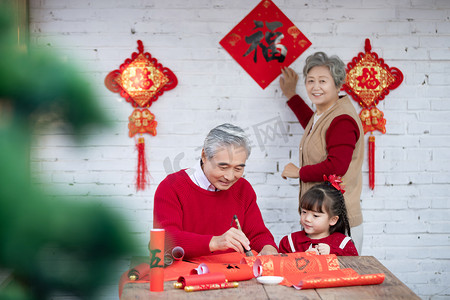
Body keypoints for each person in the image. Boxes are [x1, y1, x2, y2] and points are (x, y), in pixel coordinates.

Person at [279, 52, 364, 253]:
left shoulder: (342, 120)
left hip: (338, 224)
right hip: (321, 220)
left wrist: (298, 172)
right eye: (311, 81)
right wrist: (291, 95)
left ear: (338, 84)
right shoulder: (325, 114)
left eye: (323, 81)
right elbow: (314, 127)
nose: (315, 87)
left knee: (340, 279)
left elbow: (337, 166)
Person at [152, 123, 278, 259]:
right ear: (204, 156)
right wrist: (215, 242)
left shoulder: (243, 189)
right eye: (223, 167)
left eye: (238, 169)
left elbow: (258, 234)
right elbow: (166, 240)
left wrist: (268, 248)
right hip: (186, 274)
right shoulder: (172, 187)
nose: (230, 177)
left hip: (231, 274)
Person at [279, 175, 358, 256]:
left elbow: (355, 265)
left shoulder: (344, 244)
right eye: (304, 212)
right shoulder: (289, 242)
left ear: (333, 220)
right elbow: (280, 266)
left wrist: (332, 252)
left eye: (315, 215)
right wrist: (301, 256)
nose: (307, 219)